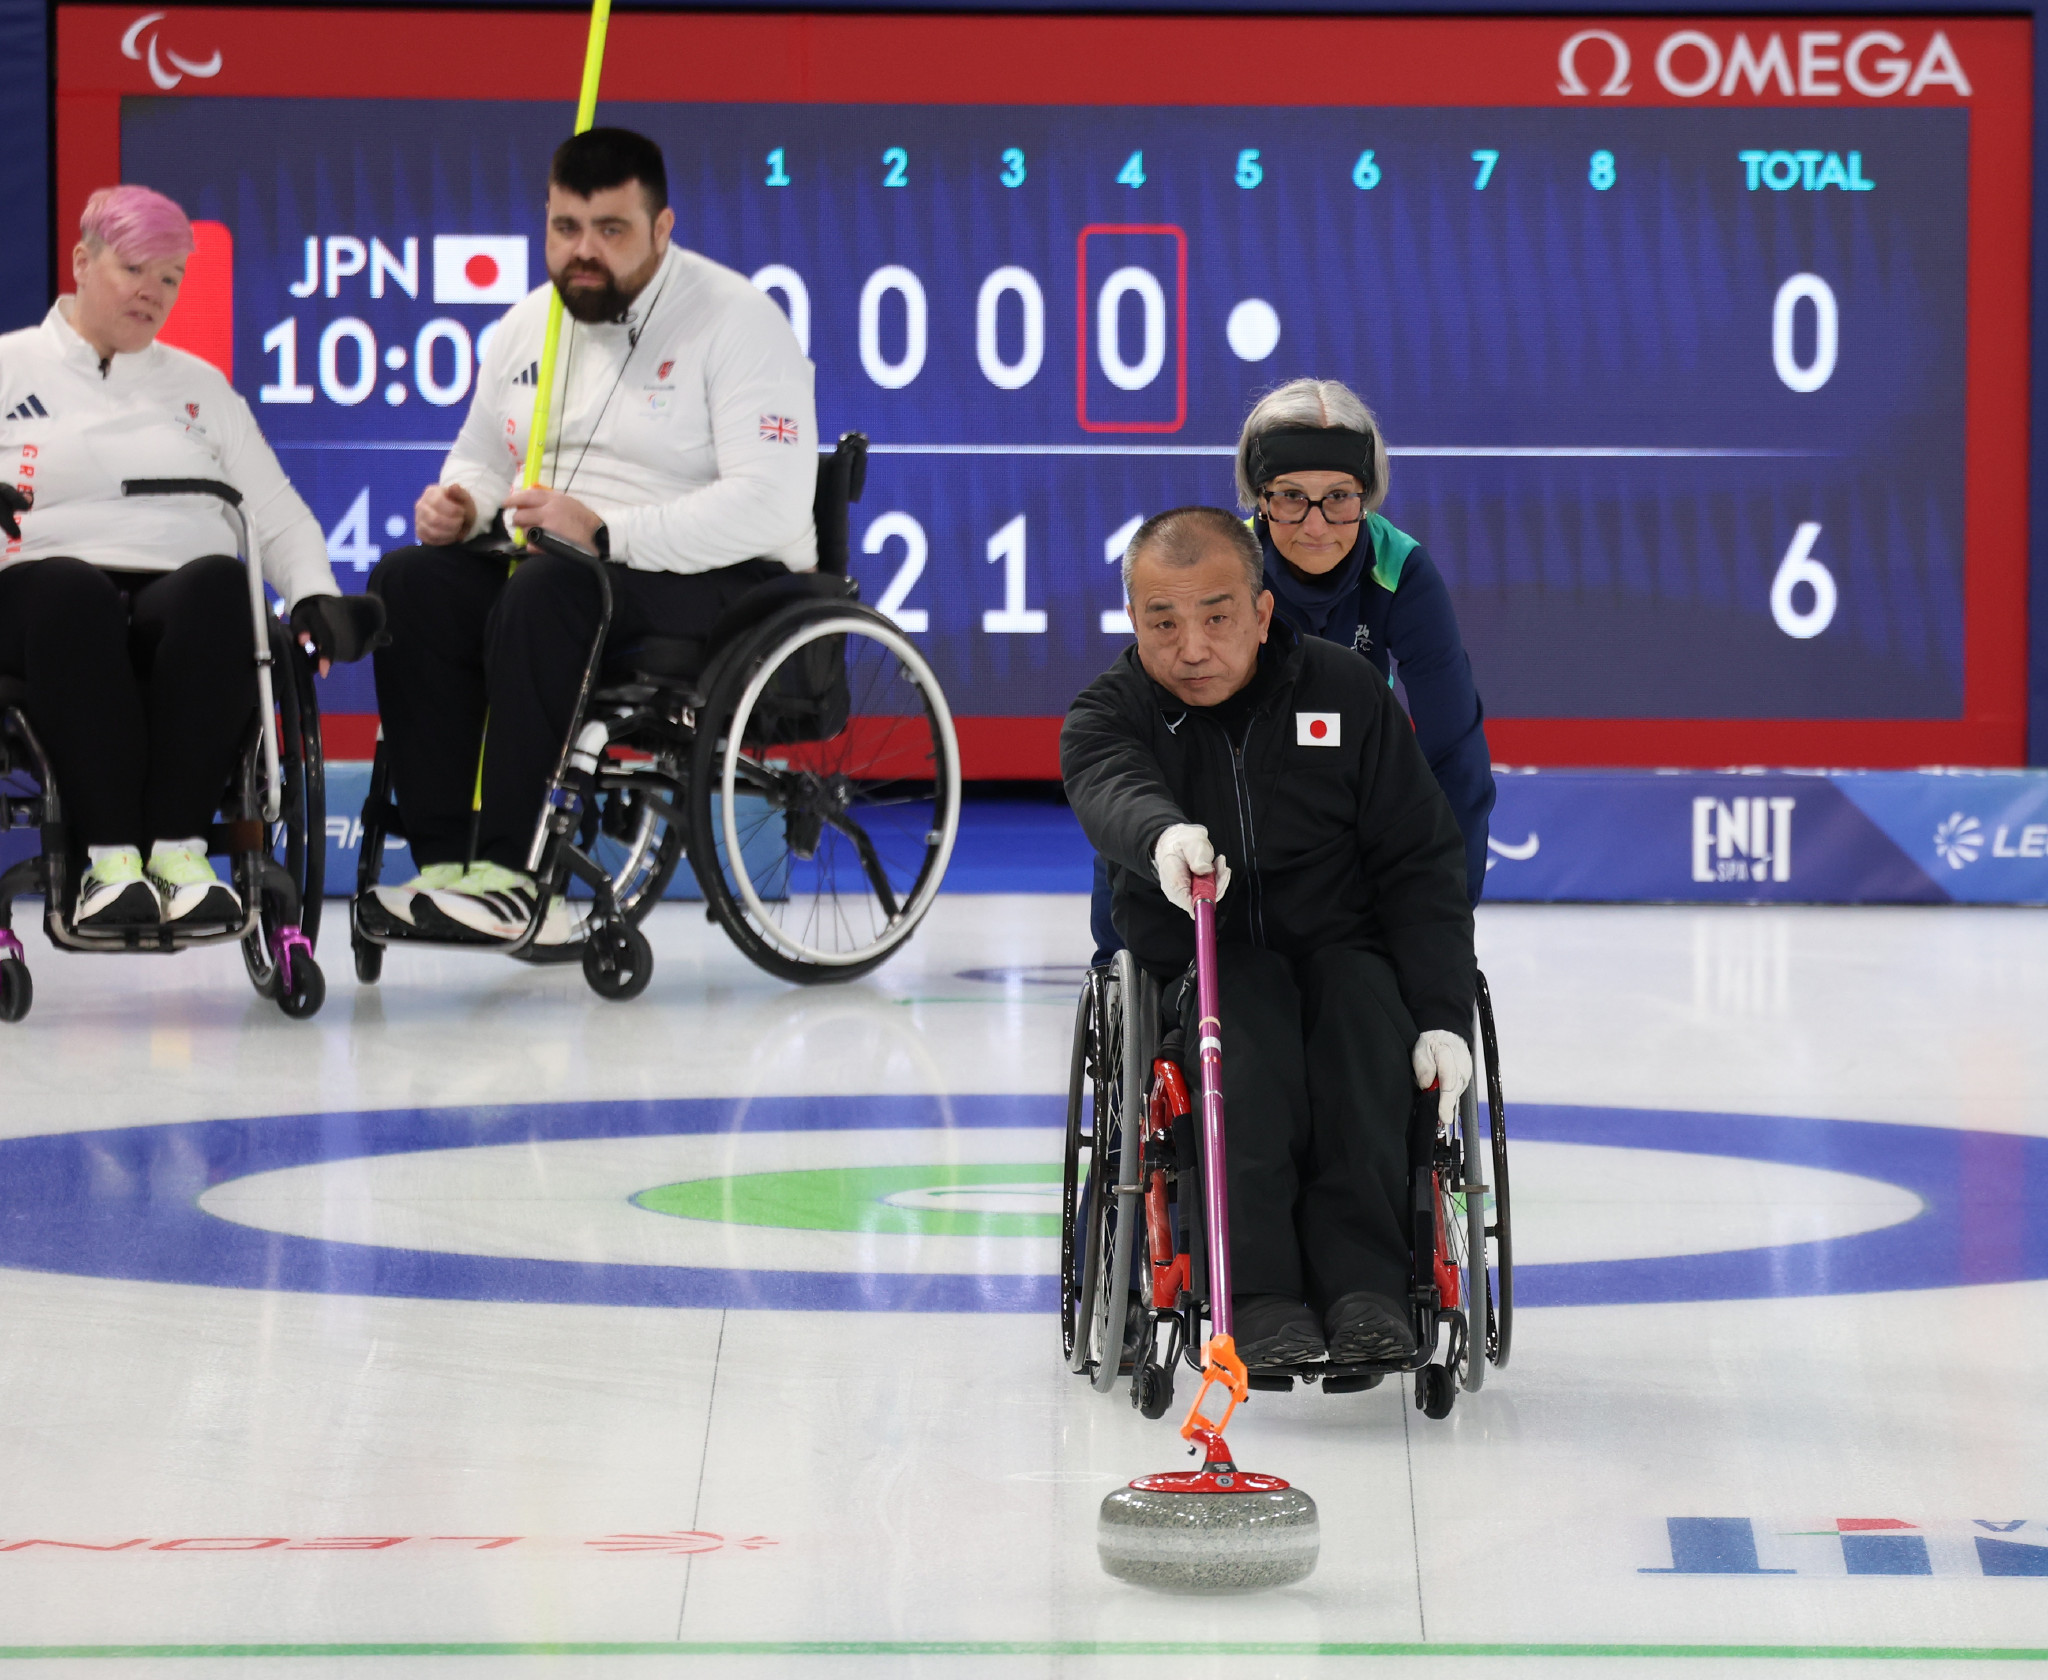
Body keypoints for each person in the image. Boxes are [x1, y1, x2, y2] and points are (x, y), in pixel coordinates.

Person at [365, 127, 818, 945]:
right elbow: (481, 455)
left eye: (611, 230)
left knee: (551, 588)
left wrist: (608, 533)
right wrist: (464, 504)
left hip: (718, 581)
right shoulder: (528, 324)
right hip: (567, 568)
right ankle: (447, 868)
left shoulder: (738, 321)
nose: (584, 251)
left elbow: (772, 506)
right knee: (409, 581)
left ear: (662, 228)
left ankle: (511, 875)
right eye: (566, 228)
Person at [1062, 507, 1476, 1368]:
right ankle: (1255, 1294)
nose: (1191, 648)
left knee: (1364, 1016)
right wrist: (1161, 837)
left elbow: (1420, 859)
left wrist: (1442, 1013)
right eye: (1162, 623)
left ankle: (1366, 1288)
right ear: (1132, 619)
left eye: (1216, 617)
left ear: (1261, 612)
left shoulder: (1346, 691)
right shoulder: (1109, 714)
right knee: (1241, 1024)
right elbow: (1111, 786)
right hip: (1205, 965)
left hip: (1341, 950)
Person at [0, 185, 364, 929]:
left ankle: (179, 855)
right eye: (134, 269)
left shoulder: (200, 387)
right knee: (72, 593)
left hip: (175, 595)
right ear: (82, 262)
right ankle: (109, 865)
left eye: (169, 279)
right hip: (40, 596)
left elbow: (274, 511)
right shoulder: (11, 365)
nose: (153, 292)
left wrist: (312, 593)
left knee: (225, 587)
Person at [1086, 378, 1494, 962]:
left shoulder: (1402, 572)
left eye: (1339, 497)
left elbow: (1454, 757)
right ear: (1259, 497)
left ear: (1367, 496)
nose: (1316, 526)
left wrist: (1446, 920)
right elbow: (1140, 749)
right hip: (1228, 814)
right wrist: (1116, 955)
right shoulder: (1221, 570)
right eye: (1291, 497)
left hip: (1339, 814)